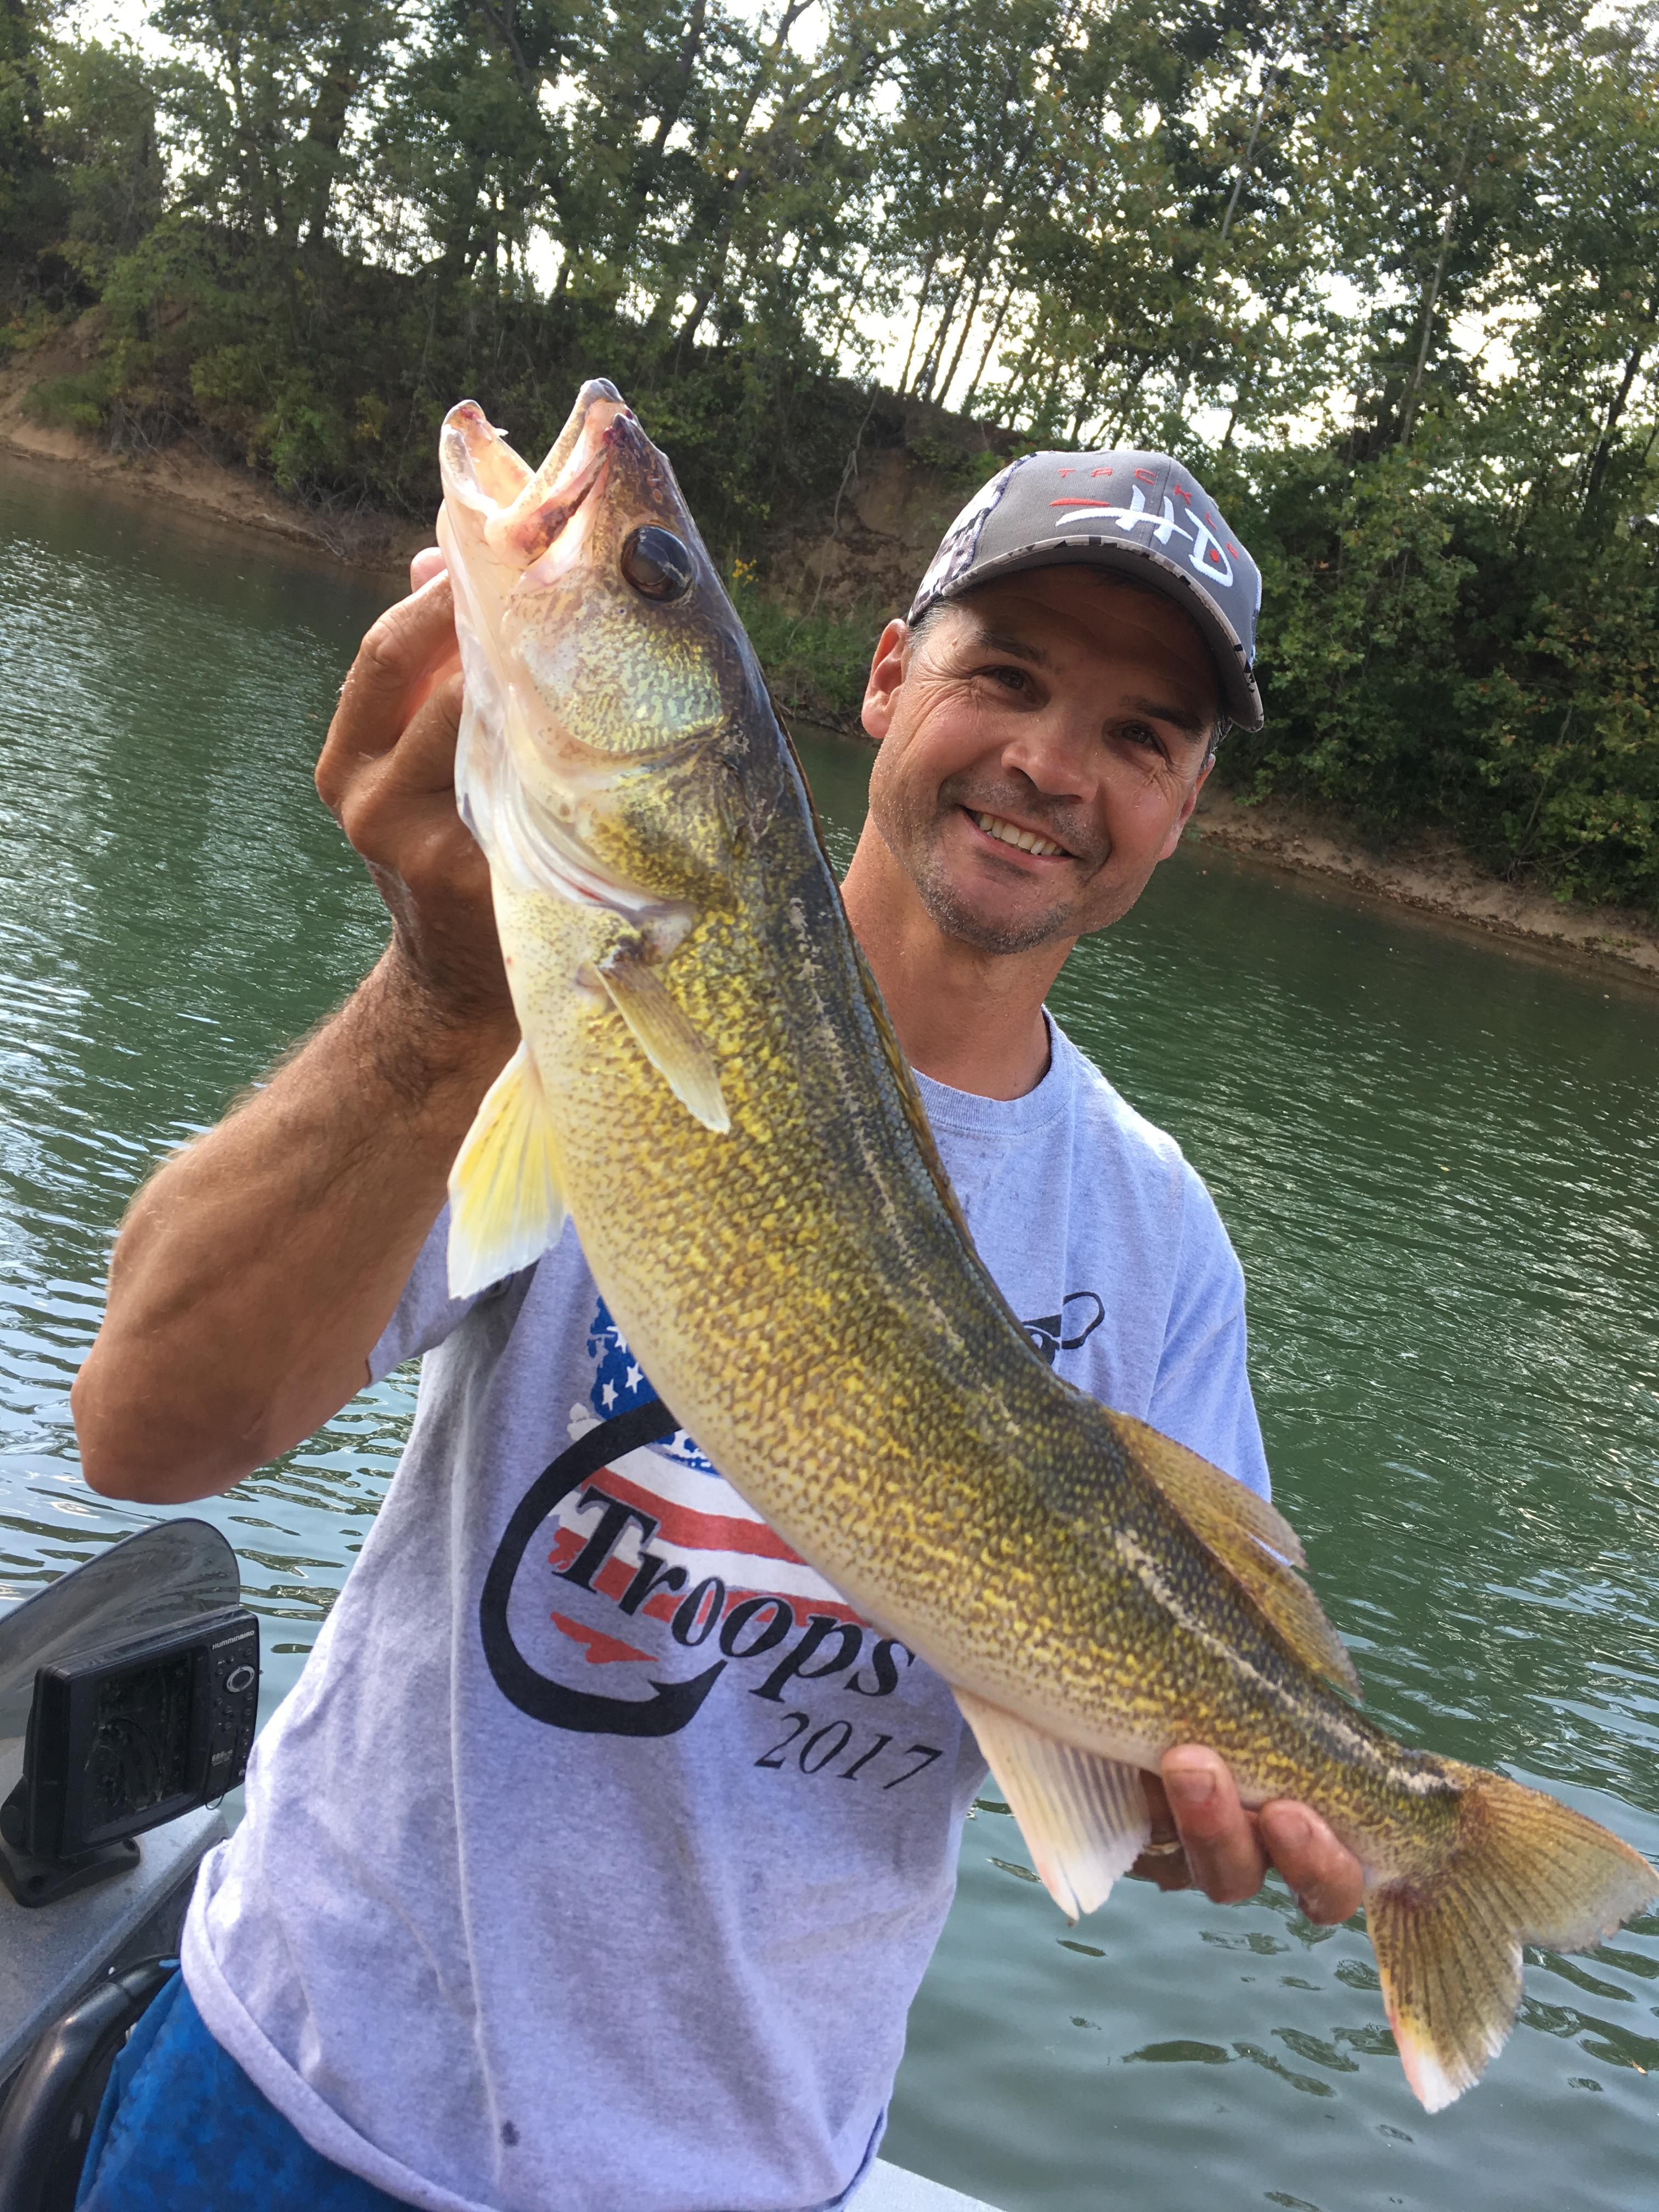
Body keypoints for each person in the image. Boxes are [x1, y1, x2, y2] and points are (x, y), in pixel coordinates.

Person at [70, 444, 1364, 2212]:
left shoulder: (1162, 1241)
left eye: (1143, 735)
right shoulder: (566, 990)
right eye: (1009, 676)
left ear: (1186, 804)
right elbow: (146, 1432)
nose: (1053, 768)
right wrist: (442, 995)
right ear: (890, 673)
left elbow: (1147, 1713)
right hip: (303, 2097)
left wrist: (1209, 1801)